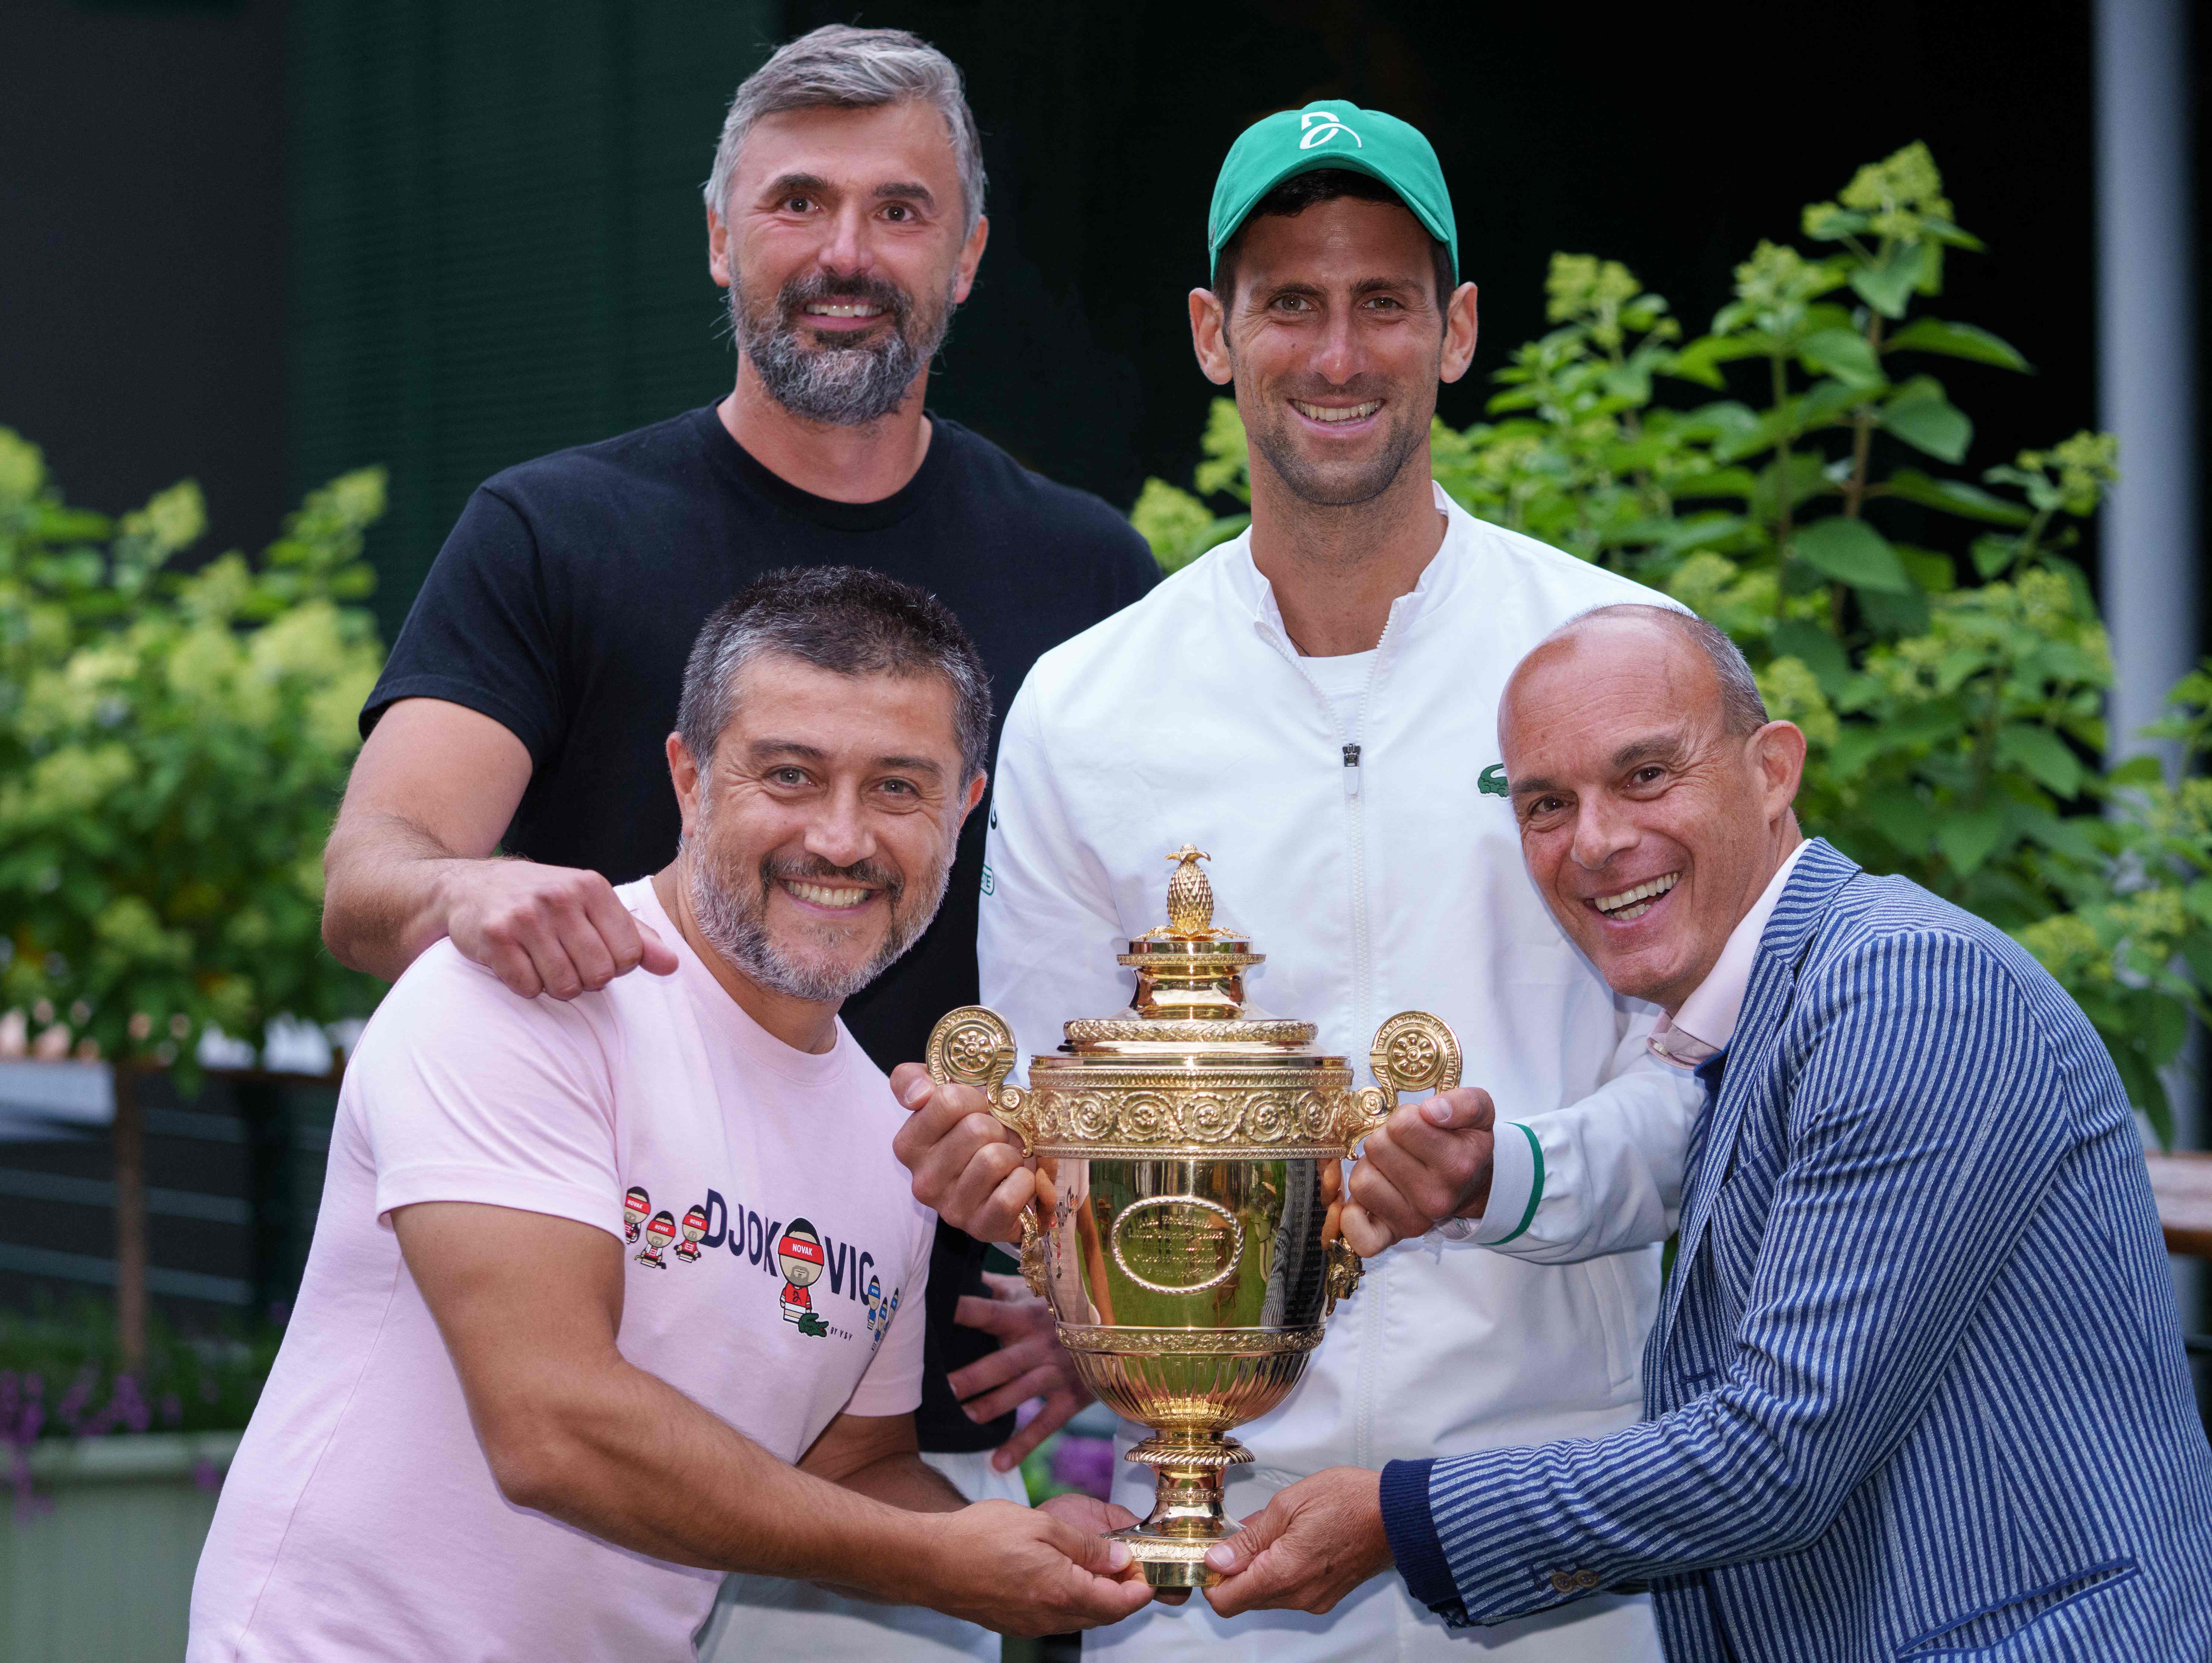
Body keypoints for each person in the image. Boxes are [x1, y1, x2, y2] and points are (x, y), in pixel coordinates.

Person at [315, 24, 1155, 1660]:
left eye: (900, 210)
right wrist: (466, 887)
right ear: (719, 235)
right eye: (798, 203)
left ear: (969, 255)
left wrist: (1116, 1294)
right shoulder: (553, 532)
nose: (846, 253)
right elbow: (375, 873)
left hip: (884, 1384)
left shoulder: (1087, 574)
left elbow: (1135, 965)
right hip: (570, 1348)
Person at [891, 102, 1702, 1662]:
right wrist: (993, 1176)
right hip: (1219, 1545)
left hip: (1561, 1532)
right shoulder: (1088, 700)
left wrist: (1500, 1169)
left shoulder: (1612, 652)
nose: (1337, 354)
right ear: (1214, 332)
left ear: (1455, 329)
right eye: (1288, 303)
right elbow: (1051, 1133)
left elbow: (1712, 1076)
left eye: (1382, 301)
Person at [1201, 604, 2212, 1660]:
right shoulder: (1773, 1009)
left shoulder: (1903, 985)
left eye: (1645, 776)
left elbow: (1777, 1454)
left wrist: (1400, 1520)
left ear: (1774, 770)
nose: (1595, 842)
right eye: (1548, 803)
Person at [189, 569, 1158, 1661]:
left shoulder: (889, 1140)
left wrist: (1031, 1541)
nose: (841, 839)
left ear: (965, 807)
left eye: (898, 788)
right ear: (689, 778)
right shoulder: (526, 995)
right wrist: (949, 1566)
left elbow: (851, 1472)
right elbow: (553, 1426)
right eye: (790, 776)